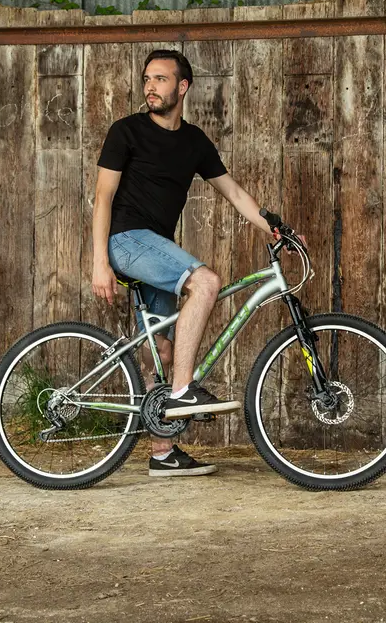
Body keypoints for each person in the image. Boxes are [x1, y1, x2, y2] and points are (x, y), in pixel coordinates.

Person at [91, 49, 276, 477]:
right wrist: (100, 261)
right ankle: (183, 391)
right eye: (146, 79)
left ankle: (162, 453)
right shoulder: (127, 131)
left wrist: (274, 228)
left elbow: (233, 193)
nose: (150, 87)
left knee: (163, 349)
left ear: (183, 86)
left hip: (156, 246)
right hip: (128, 241)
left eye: (160, 79)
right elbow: (102, 199)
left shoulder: (194, 142)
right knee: (206, 282)